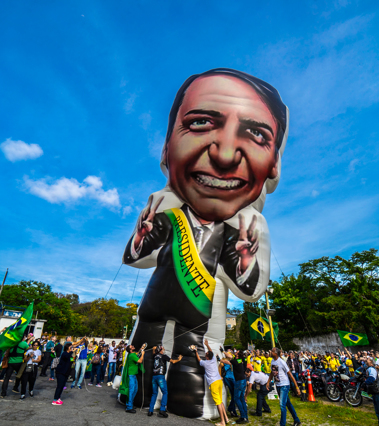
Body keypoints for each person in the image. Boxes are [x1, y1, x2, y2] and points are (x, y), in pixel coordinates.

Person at [123, 68, 288, 418]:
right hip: (154, 306)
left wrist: (245, 260)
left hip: (199, 318)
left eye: (256, 134)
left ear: (274, 164)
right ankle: (134, 394)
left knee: (191, 379)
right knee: (142, 359)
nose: (225, 155)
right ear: (166, 148)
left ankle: (188, 401)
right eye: (200, 122)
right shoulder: (167, 213)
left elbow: (249, 287)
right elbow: (136, 255)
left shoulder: (242, 227)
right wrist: (140, 238)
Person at [193, 340, 230, 426]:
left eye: (206, 354)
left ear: (207, 357)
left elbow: (198, 360)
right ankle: (226, 418)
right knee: (220, 401)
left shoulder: (205, 363)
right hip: (219, 381)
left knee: (218, 403)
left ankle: (222, 422)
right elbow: (211, 352)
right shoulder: (213, 359)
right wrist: (207, 345)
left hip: (213, 383)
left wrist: (196, 351)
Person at [268, 347, 301, 426]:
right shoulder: (273, 361)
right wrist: (268, 382)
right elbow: (272, 373)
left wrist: (297, 387)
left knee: (282, 405)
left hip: (284, 385)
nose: (270, 352)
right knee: (288, 404)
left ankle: (282, 424)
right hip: (278, 385)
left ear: (275, 353)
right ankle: (297, 420)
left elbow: (290, 375)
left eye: (272, 351)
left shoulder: (282, 362)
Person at [148, 345, 182, 417]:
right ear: (160, 350)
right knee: (165, 392)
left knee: (154, 393)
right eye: (163, 348)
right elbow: (172, 361)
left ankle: (150, 410)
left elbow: (153, 353)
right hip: (160, 376)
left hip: (154, 376)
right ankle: (162, 409)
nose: (164, 349)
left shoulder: (155, 356)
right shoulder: (164, 356)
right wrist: (179, 359)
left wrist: (153, 349)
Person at [121, 343, 147, 413]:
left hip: (133, 375)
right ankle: (129, 407)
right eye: (131, 346)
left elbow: (138, 353)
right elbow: (140, 361)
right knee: (132, 391)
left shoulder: (132, 354)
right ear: (130, 350)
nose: (133, 346)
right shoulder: (132, 355)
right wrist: (143, 354)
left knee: (134, 390)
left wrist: (142, 348)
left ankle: (130, 404)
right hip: (131, 375)